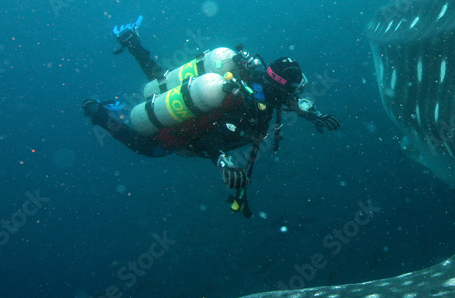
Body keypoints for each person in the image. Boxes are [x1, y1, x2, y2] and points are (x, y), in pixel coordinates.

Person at [82, 16, 340, 216]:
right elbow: (210, 142)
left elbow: (289, 100)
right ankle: (97, 112)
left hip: (201, 97)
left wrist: (314, 114)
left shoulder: (257, 76)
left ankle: (133, 44)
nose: (295, 94)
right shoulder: (248, 109)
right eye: (295, 88)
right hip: (190, 130)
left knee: (162, 83)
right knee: (148, 147)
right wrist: (224, 164)